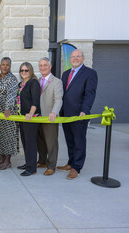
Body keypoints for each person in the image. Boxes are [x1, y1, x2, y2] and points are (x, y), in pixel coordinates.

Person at [57, 49, 98, 180]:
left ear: (83, 58)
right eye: (73, 57)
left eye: (78, 56)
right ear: (70, 59)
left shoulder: (90, 73)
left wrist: (85, 110)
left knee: (79, 141)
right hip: (65, 113)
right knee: (69, 140)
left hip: (79, 114)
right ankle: (70, 163)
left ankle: (77, 167)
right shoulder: (65, 73)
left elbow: (90, 94)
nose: (75, 58)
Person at [0, 57, 19, 170]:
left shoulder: (12, 79)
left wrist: (8, 108)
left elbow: (12, 94)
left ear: (10, 66)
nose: (5, 66)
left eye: (7, 65)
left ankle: (7, 161)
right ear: (0, 65)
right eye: (3, 64)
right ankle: (1, 158)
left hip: (8, 112)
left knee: (8, 136)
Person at [36, 57, 63, 176]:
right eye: (40, 65)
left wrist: (54, 112)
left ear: (50, 66)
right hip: (38, 117)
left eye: (45, 65)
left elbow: (58, 100)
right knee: (40, 141)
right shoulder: (37, 80)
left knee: (51, 143)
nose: (43, 67)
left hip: (50, 117)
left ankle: (51, 165)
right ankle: (42, 161)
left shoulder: (56, 81)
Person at [16, 62, 41, 176]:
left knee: (30, 142)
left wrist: (31, 113)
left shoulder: (33, 82)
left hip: (31, 117)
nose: (24, 72)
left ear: (30, 71)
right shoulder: (21, 84)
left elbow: (35, 100)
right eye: (22, 70)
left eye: (26, 70)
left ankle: (32, 168)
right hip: (22, 117)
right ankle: (28, 163)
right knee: (25, 141)